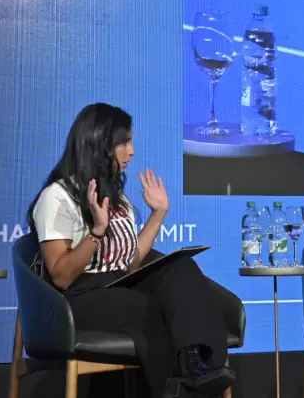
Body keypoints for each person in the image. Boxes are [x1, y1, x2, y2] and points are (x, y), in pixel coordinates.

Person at [27, 103, 234, 398]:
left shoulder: (117, 198)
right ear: (99, 143)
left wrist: (158, 214)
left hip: (118, 284)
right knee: (148, 309)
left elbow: (131, 262)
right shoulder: (58, 197)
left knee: (181, 267)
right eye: (124, 142)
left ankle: (198, 366)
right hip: (76, 299)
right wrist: (96, 232)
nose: (132, 151)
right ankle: (179, 389)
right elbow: (60, 275)